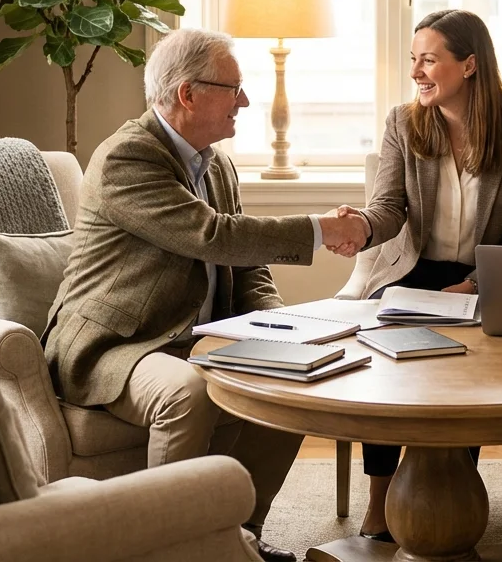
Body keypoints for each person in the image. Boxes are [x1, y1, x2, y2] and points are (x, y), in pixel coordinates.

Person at [44, 28, 368, 562]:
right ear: (188, 93)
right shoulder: (128, 157)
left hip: (190, 339)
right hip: (118, 345)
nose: (244, 100)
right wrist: (320, 228)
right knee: (188, 392)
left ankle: (240, 539)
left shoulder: (215, 160)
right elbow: (212, 235)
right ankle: (172, 549)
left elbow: (250, 267)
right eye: (233, 87)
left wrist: (283, 331)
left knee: (293, 388)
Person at [332, 9, 502, 541]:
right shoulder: (404, 123)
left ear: (470, 64)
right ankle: (380, 494)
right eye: (414, 60)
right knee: (382, 352)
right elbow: (387, 208)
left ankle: (455, 482)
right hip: (416, 271)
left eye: (429, 60)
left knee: (469, 356)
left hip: (488, 274)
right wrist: (360, 224)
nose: (416, 72)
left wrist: (477, 284)